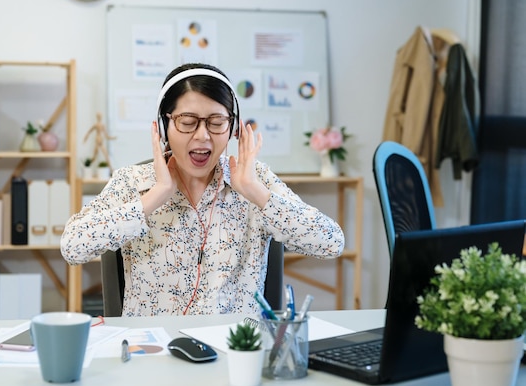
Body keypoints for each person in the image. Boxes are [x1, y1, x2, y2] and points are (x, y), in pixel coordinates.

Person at [61, 63, 345, 316]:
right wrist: (155, 196)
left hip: (235, 353)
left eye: (217, 122)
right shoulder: (133, 182)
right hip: (155, 354)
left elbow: (331, 242)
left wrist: (255, 192)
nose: (202, 135)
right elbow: (72, 247)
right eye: (187, 122)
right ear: (163, 127)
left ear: (233, 127)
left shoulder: (254, 179)